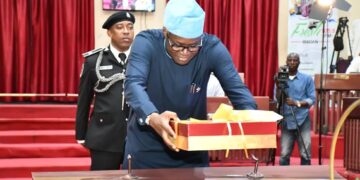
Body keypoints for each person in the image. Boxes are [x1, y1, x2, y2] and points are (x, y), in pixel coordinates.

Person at [122, 0, 257, 169]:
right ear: (165, 32)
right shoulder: (146, 42)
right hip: (147, 148)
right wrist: (153, 117)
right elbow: (133, 83)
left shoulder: (211, 47)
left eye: (193, 46)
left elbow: (238, 90)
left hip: (193, 150)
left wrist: (251, 117)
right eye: (177, 45)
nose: (185, 53)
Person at [75, 11, 135, 170]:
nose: (126, 31)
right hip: (104, 136)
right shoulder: (94, 61)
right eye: (120, 27)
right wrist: (81, 134)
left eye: (130, 27)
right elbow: (84, 100)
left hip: (138, 136)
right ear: (109, 32)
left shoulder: (142, 59)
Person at [274, 53, 315, 165]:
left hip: (303, 119)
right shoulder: (281, 78)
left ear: (299, 62)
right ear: (286, 62)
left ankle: (306, 176)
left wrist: (297, 103)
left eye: (295, 60)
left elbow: (312, 99)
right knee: (284, 153)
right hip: (287, 120)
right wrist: (278, 84)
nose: (292, 62)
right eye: (290, 60)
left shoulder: (307, 79)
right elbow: (278, 100)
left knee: (305, 152)